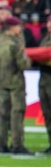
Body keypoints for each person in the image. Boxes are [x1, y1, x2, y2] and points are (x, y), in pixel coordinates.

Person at [0, 16, 32, 154]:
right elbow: (23, 64)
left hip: (2, 82)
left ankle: (2, 143)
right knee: (17, 114)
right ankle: (17, 144)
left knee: (3, 115)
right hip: (16, 83)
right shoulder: (16, 44)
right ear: (12, 28)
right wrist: (29, 60)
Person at [38, 19, 51, 154]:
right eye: (48, 22)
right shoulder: (44, 39)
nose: (48, 25)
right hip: (44, 80)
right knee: (47, 113)